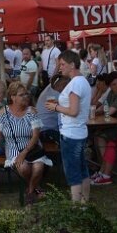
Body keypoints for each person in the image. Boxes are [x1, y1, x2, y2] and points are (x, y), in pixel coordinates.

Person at [0, 81, 46, 205]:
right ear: (13, 97)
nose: (26, 97)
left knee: (38, 167)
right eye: (22, 95)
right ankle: (35, 188)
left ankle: (29, 192)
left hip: (32, 149)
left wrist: (25, 152)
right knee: (23, 168)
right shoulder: (3, 112)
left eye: (26, 94)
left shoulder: (32, 112)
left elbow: (35, 136)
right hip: (13, 149)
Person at [44, 50, 91, 203]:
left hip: (71, 134)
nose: (60, 68)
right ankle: (84, 205)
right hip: (79, 132)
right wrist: (59, 105)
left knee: (73, 173)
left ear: (72, 65)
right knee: (82, 170)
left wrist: (55, 107)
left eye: (63, 64)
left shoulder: (75, 83)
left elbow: (73, 110)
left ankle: (76, 208)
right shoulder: (82, 81)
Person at [35, 74, 69, 142]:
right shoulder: (55, 96)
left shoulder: (50, 87)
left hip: (43, 129)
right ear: (63, 85)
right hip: (47, 131)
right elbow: (70, 111)